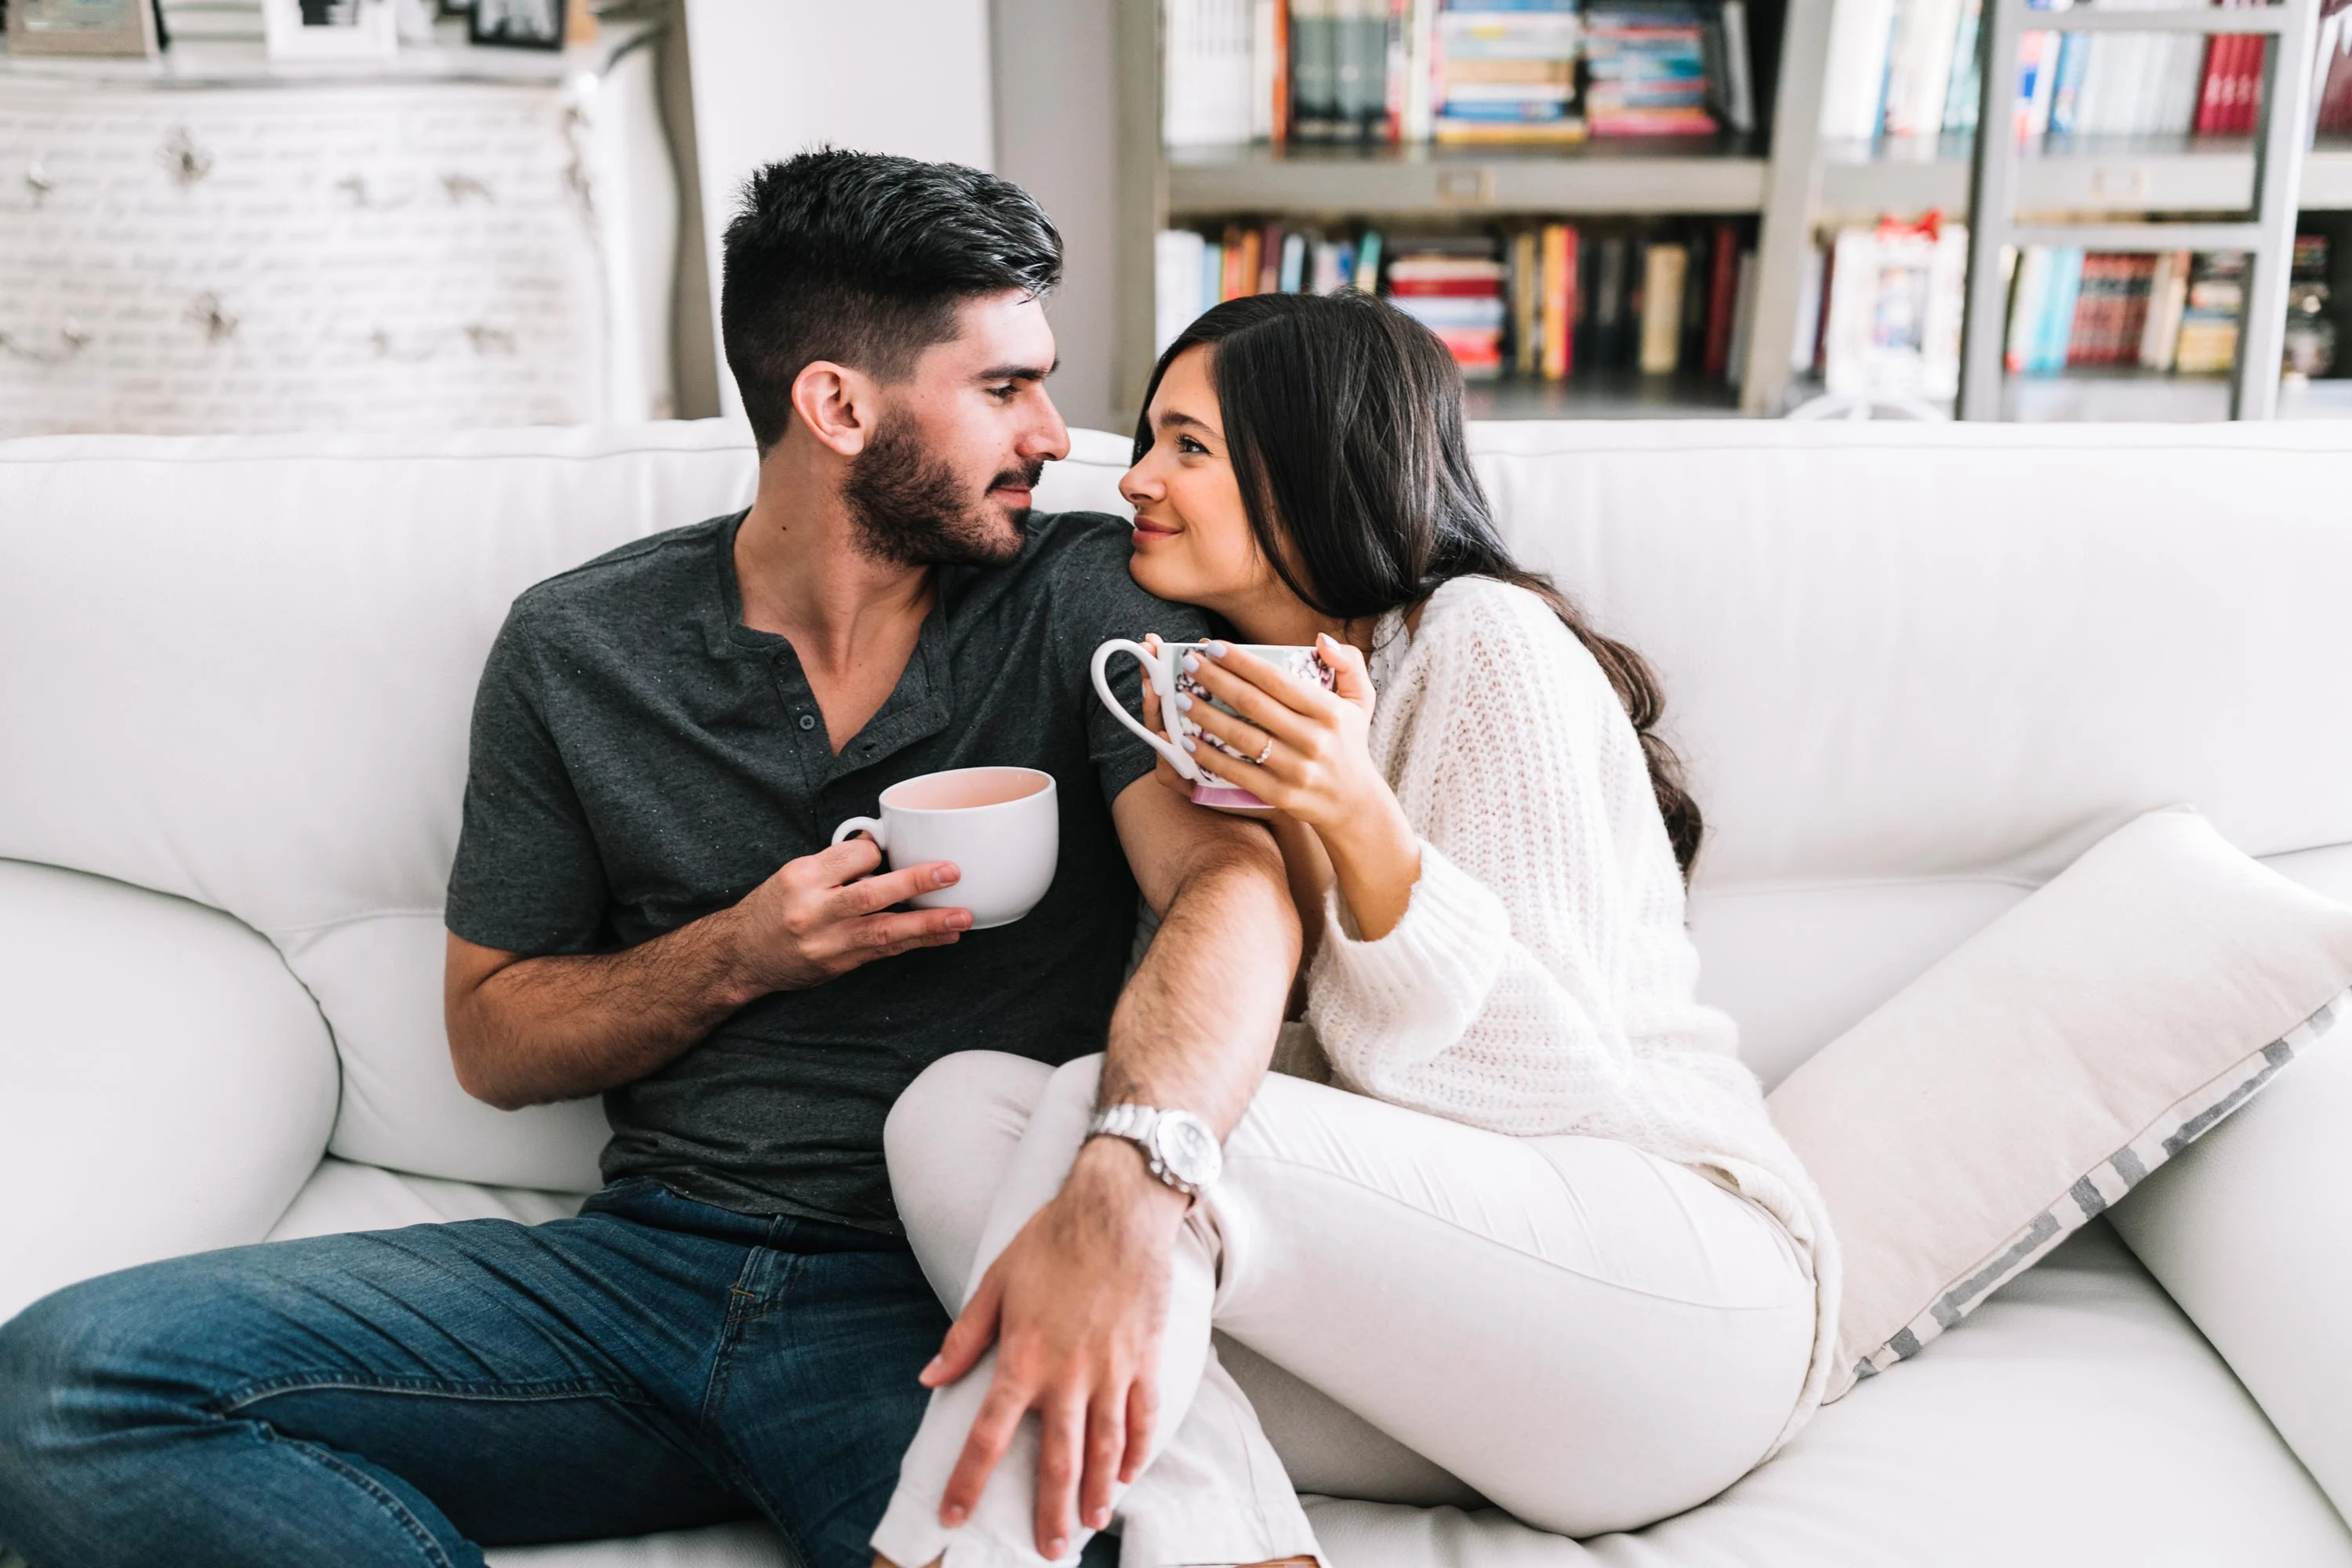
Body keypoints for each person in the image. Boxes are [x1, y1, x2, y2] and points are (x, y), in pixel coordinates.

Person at [0, 152, 1304, 1568]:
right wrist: (739, 954)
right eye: (1004, 389)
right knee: (68, 1386)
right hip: (635, 1278)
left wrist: (1131, 1183)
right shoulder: (581, 648)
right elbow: (493, 1039)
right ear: (839, 406)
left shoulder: (1089, 594)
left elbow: (1229, 890)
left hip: (932, 1295)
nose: (1060, 435)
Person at [873, 291, 1842, 1567]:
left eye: (1188, 446)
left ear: (1317, 467)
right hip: (1451, 1367)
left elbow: (1549, 1091)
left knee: (1125, 1117)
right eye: (1148, 440)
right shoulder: (1206, 702)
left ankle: (930, 1558)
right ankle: (1241, 1545)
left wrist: (1359, 824)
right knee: (955, 1114)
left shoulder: (1480, 643)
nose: (1137, 480)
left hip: (1675, 1298)